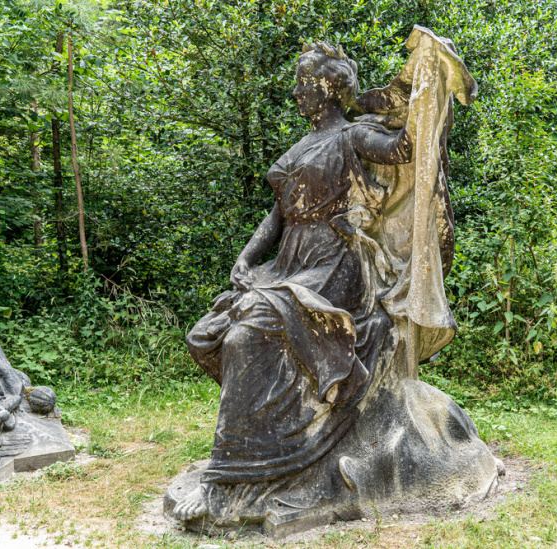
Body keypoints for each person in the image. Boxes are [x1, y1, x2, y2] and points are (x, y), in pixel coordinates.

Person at [174, 41, 416, 520]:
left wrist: (429, 91)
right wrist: (246, 258)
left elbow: (404, 148)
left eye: (303, 82)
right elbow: (279, 214)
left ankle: (234, 479)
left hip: (334, 265)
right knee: (209, 334)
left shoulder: (353, 136)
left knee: (246, 337)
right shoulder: (301, 147)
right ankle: (261, 459)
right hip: (290, 262)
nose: (296, 91)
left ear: (328, 87)